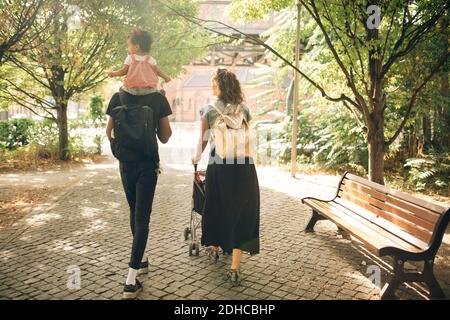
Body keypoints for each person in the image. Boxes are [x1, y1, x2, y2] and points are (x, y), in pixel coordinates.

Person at [192, 68, 260, 286]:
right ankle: (235, 266)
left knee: (217, 207)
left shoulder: (209, 110)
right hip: (244, 167)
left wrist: (195, 158)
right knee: (241, 212)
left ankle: (215, 246)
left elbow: (203, 142)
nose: (212, 87)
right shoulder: (245, 109)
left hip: (219, 166)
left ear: (220, 86)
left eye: (214, 84)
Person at [106, 89, 172, 299]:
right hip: (147, 165)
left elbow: (109, 133)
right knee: (142, 219)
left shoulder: (118, 97)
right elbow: (165, 137)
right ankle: (130, 281)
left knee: (134, 212)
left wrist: (121, 149)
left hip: (126, 165)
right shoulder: (157, 98)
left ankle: (141, 259)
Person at [109, 28, 171, 96]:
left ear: (136, 47)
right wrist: (166, 77)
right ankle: (159, 92)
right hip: (148, 90)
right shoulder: (150, 59)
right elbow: (158, 71)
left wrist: (114, 74)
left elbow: (123, 71)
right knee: (155, 91)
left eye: (129, 45)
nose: (128, 47)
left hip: (131, 90)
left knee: (121, 90)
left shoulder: (130, 58)